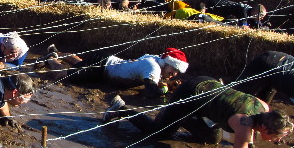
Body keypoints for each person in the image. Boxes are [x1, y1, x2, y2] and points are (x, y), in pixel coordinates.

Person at [110, 76, 294, 148]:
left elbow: (254, 130)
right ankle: (121, 109)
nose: (277, 141)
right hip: (192, 92)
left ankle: (182, 118)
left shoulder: (263, 107)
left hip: (208, 87)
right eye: (276, 136)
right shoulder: (244, 126)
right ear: (265, 127)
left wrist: (252, 146)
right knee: (158, 132)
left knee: (212, 138)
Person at [47, 46, 189, 98]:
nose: (174, 74)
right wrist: (164, 89)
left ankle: (58, 52)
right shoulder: (154, 68)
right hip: (103, 65)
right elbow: (151, 92)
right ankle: (51, 59)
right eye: (174, 70)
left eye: (177, 72)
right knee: (65, 76)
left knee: (80, 65)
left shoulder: (156, 59)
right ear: (167, 64)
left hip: (106, 65)